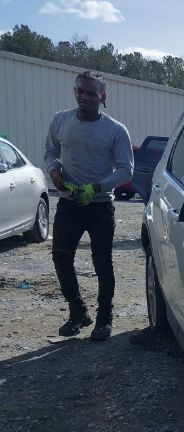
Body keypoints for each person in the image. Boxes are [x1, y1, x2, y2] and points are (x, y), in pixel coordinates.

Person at [44, 70, 133, 341]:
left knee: (102, 262)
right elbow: (51, 153)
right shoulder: (60, 121)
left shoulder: (115, 130)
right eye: (80, 91)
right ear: (75, 92)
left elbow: (126, 170)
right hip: (69, 204)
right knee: (61, 257)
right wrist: (55, 172)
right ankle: (78, 312)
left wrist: (96, 187)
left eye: (91, 93)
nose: (85, 97)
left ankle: (104, 318)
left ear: (102, 97)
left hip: (100, 207)